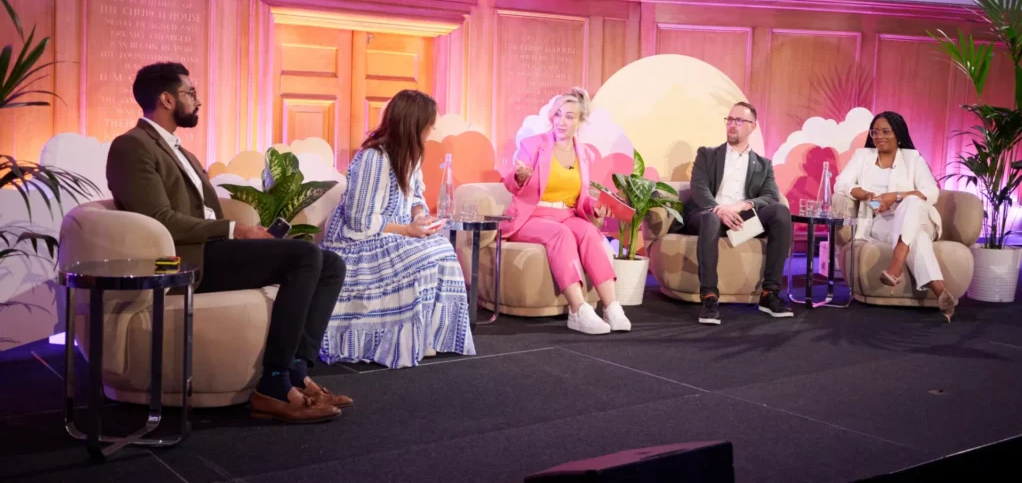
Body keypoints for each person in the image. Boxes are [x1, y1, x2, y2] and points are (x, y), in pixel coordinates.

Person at [106, 63, 348, 423]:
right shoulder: (132, 146)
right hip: (184, 260)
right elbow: (159, 219)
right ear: (167, 99)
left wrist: (245, 232)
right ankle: (274, 383)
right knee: (303, 256)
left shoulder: (181, 151)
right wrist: (236, 230)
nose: (198, 100)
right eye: (190, 93)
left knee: (331, 264)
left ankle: (297, 370)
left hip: (213, 249)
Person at [320, 90, 475, 368]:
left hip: (395, 233)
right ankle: (404, 338)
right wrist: (406, 231)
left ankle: (431, 335)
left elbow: (415, 196)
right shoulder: (373, 158)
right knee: (424, 256)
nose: (432, 130)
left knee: (442, 248)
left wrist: (419, 217)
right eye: (429, 124)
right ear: (413, 124)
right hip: (357, 243)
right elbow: (360, 222)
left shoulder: (411, 156)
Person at [503, 88, 631, 335]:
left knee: (590, 233)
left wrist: (595, 206)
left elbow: (580, 198)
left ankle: (612, 307)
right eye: (558, 115)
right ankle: (578, 310)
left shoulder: (584, 153)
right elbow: (510, 183)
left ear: (580, 122)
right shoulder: (533, 144)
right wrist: (520, 177)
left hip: (566, 215)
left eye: (569, 117)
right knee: (561, 234)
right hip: (531, 217)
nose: (561, 121)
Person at [677, 102, 794, 325]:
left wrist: (743, 205)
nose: (732, 124)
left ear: (753, 126)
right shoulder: (707, 154)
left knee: (780, 211)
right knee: (711, 219)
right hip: (707, 217)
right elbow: (699, 187)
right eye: (729, 119)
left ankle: (769, 293)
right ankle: (709, 297)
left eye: (739, 120)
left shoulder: (763, 164)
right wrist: (719, 209)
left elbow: (771, 195)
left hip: (741, 222)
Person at [834, 111, 956, 321]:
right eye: (875, 132)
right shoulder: (863, 156)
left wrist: (895, 196)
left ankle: (896, 264)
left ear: (898, 134)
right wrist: (866, 195)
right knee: (916, 237)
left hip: (919, 217)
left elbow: (931, 192)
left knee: (912, 202)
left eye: (885, 131)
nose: (879, 136)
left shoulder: (912, 158)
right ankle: (940, 290)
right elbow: (841, 183)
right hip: (881, 222)